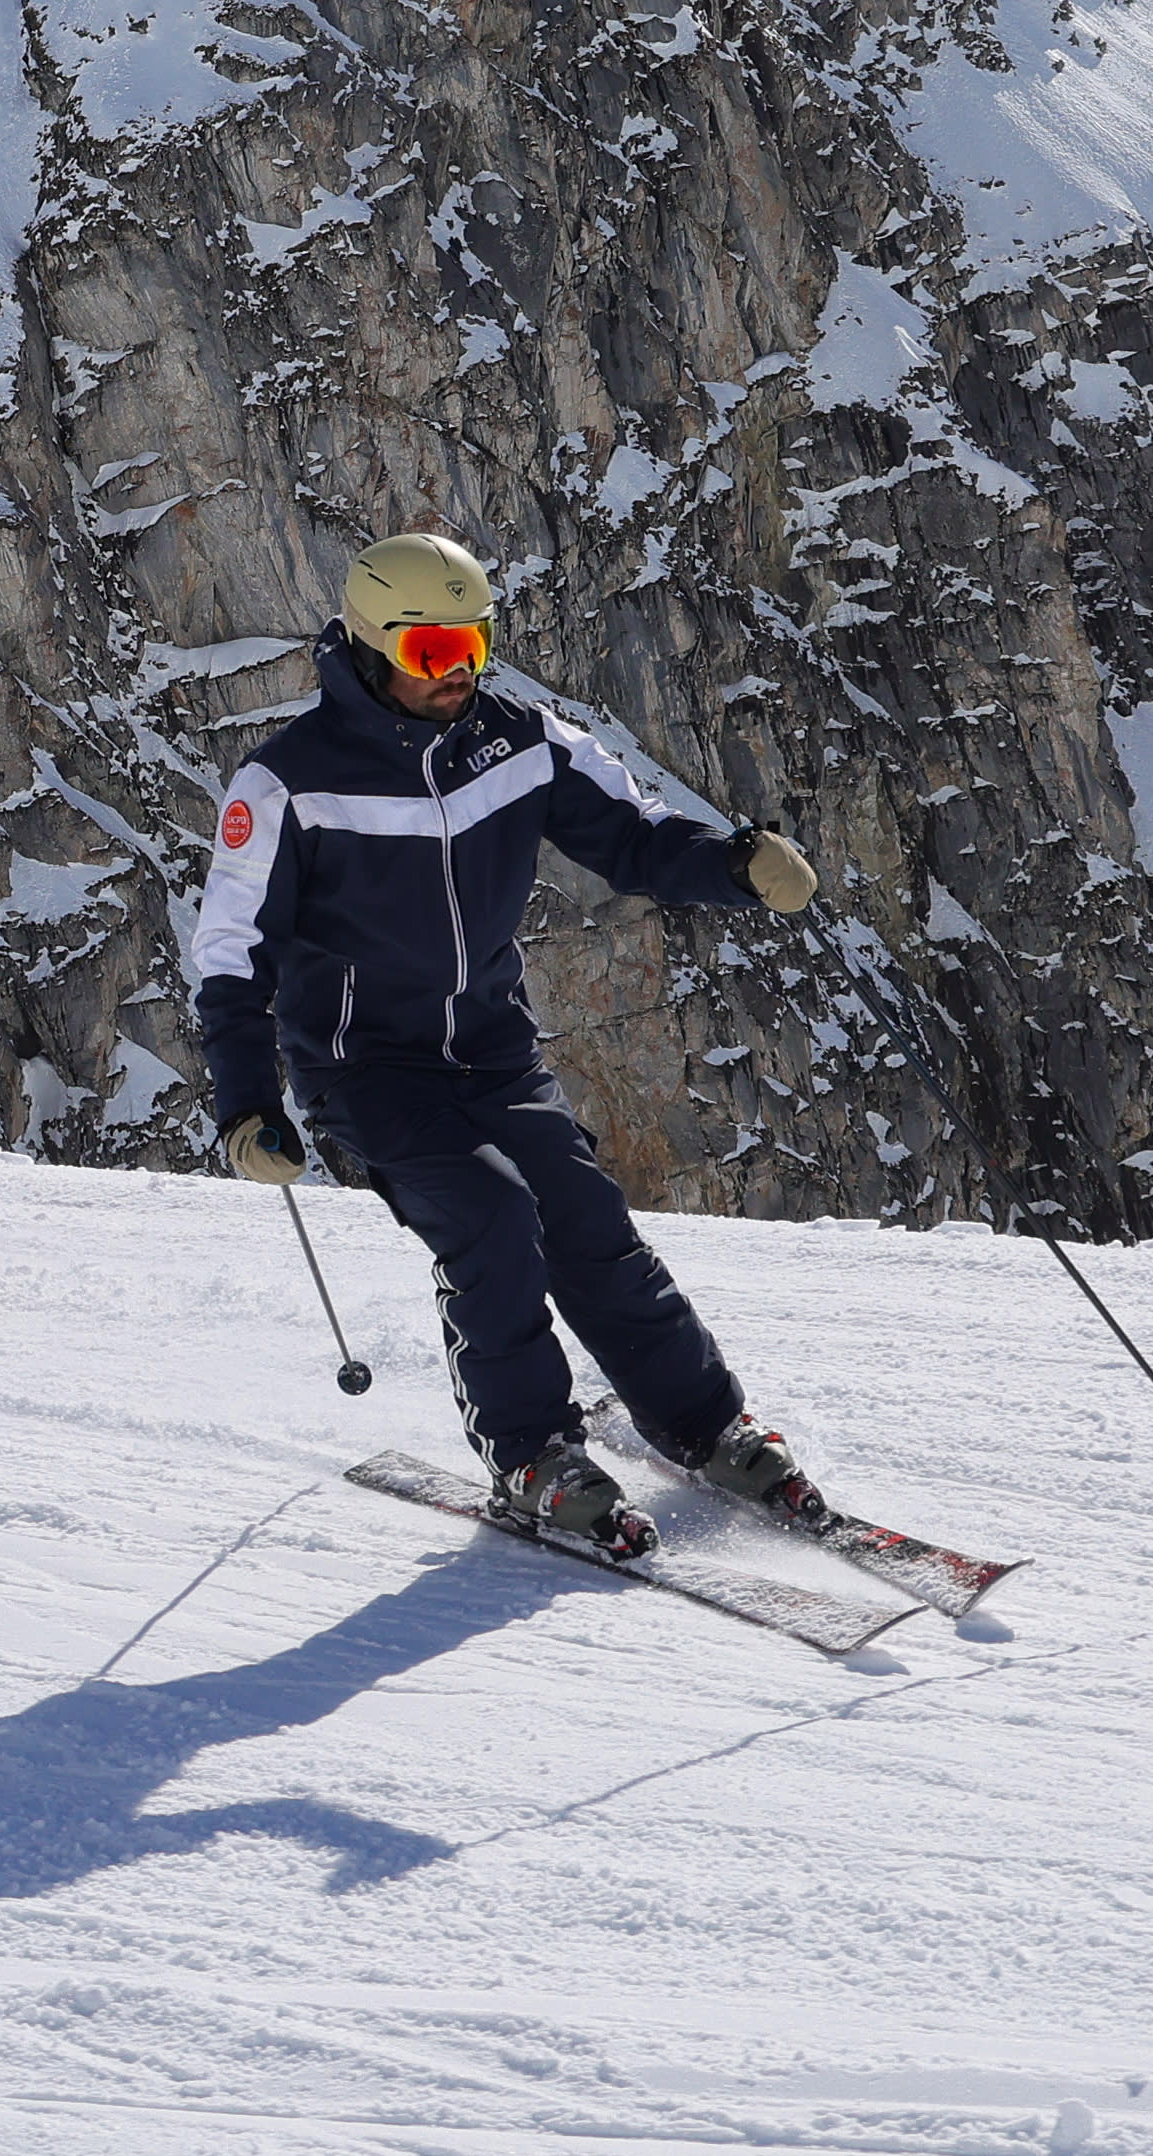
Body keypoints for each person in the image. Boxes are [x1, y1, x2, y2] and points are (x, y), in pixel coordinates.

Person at [187, 531, 840, 1558]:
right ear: (370, 646)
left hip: (491, 1044)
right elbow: (232, 952)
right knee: (492, 1220)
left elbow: (632, 835)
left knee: (587, 1223)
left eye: (474, 645)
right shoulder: (287, 784)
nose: (458, 675)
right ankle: (532, 1448)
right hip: (366, 1069)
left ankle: (706, 1424)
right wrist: (246, 1101)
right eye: (432, 652)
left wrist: (739, 864)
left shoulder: (519, 737)